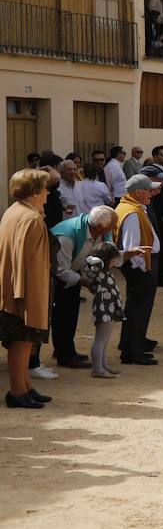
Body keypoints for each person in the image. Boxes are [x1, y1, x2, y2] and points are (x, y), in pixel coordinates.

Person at [2, 169, 56, 409]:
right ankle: (17, 391)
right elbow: (23, 258)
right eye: (45, 188)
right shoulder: (31, 218)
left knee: (24, 342)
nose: (48, 192)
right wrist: (22, 295)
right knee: (21, 342)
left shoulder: (15, 211)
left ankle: (25, 386)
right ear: (35, 191)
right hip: (24, 290)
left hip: (15, 288)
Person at [48, 206, 118, 369]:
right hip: (56, 276)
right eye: (112, 225)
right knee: (62, 315)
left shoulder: (101, 232)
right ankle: (65, 355)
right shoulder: (66, 236)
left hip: (74, 270)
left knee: (71, 312)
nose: (114, 228)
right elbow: (59, 269)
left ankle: (65, 350)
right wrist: (85, 282)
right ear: (99, 227)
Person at [116, 174, 162, 366]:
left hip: (143, 265)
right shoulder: (132, 212)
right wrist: (143, 269)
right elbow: (132, 246)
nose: (152, 193)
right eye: (148, 189)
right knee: (139, 309)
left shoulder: (131, 208)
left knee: (137, 308)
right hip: (141, 266)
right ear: (137, 192)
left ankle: (130, 346)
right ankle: (133, 351)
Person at [81, 242, 125, 378]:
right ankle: (97, 369)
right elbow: (94, 261)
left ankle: (103, 365)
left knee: (104, 339)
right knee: (100, 340)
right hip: (104, 308)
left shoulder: (104, 271)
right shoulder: (98, 269)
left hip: (109, 307)